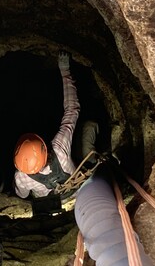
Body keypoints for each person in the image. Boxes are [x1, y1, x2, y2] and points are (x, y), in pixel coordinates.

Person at [12, 51, 96, 199]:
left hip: (53, 202)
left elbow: (23, 195)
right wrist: (64, 70)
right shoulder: (59, 150)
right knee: (90, 126)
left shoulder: (20, 177)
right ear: (46, 150)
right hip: (78, 192)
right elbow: (72, 110)